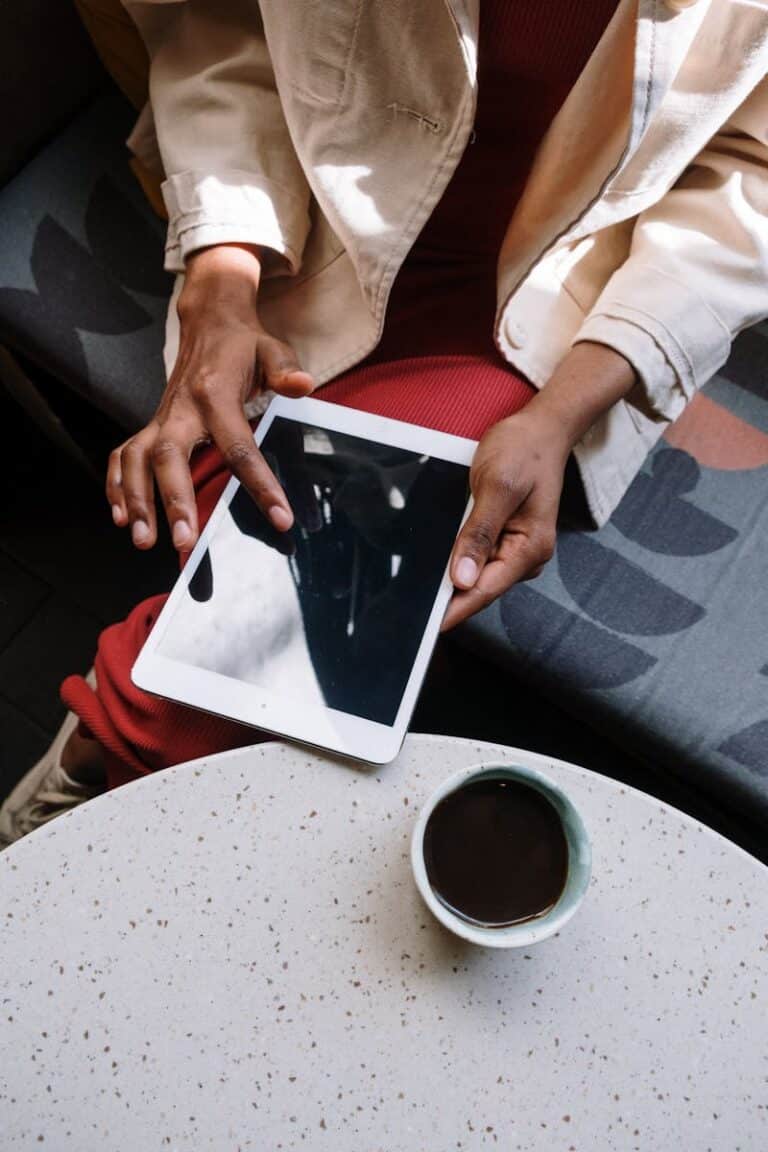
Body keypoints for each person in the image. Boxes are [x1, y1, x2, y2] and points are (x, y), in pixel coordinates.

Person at [2, 0, 767, 846]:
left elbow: (748, 172)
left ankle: (109, 748)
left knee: (314, 605)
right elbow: (220, 26)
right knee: (279, 558)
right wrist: (220, 278)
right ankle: (123, 770)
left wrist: (567, 406)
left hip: (551, 297)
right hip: (307, 218)